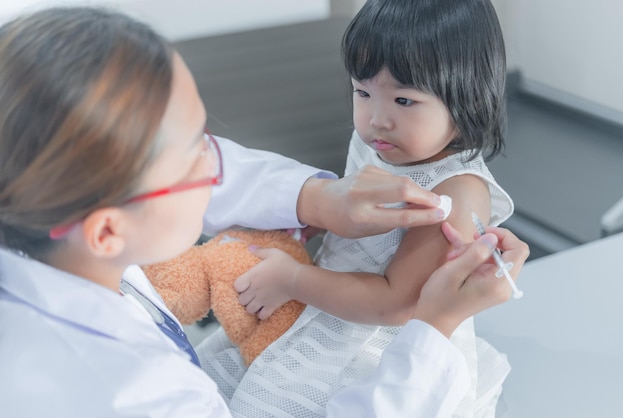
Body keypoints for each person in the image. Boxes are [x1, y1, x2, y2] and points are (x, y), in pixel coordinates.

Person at [0, 6, 528, 418]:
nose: (222, 162)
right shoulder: (142, 392)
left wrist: (312, 230)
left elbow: (395, 300)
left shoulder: (454, 191)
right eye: (195, 149)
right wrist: (434, 327)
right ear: (108, 230)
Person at [216, 0, 515, 416]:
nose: (377, 119)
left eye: (404, 101)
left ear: (467, 98)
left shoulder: (458, 192)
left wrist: (294, 280)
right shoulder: (378, 146)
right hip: (327, 298)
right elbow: (347, 216)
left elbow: (397, 303)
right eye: (362, 91)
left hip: (373, 342)